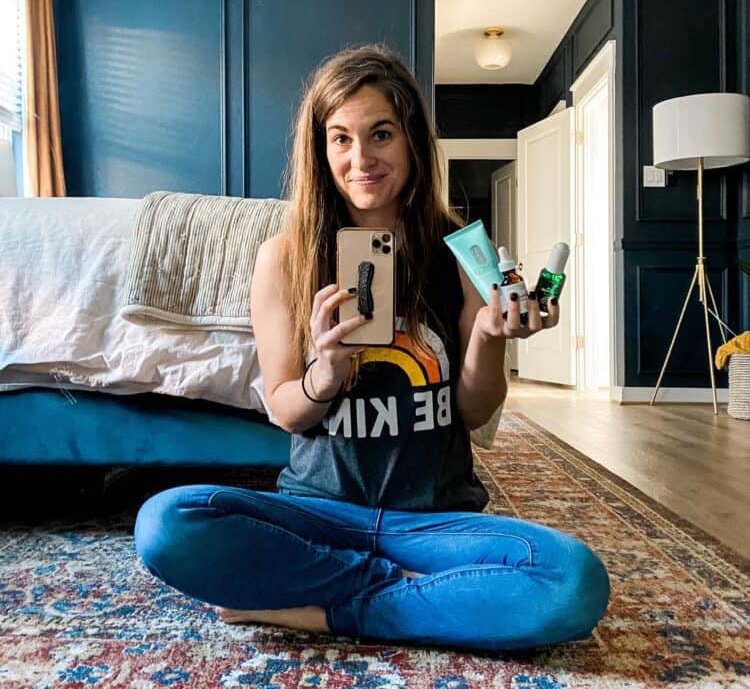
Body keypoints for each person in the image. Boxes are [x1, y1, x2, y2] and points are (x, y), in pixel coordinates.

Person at [134, 44, 610, 652]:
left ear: (411, 140)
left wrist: (489, 336)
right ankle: (415, 596)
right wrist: (325, 374)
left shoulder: (463, 249)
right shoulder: (282, 258)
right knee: (167, 525)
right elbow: (284, 409)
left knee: (573, 581)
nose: (361, 159)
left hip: (435, 517)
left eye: (380, 134)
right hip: (321, 513)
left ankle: (317, 609)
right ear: (321, 150)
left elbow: (473, 410)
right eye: (341, 139)